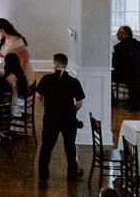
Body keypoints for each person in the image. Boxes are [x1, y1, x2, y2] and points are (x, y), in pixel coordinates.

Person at [34, 52, 85, 185]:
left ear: (55, 63)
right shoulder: (73, 81)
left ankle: (43, 177)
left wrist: (46, 105)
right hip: (68, 119)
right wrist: (71, 112)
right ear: (66, 64)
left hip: (51, 118)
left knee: (46, 147)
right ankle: (72, 171)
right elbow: (79, 103)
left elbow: (38, 96)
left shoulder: (46, 79)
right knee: (70, 146)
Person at [112, 26, 140, 109]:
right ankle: (135, 103)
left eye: (118, 33)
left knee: (109, 75)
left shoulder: (118, 47)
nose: (117, 34)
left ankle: (112, 102)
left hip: (126, 75)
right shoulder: (139, 44)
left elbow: (115, 64)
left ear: (124, 35)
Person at [3, 53, 31, 118]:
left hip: (15, 109)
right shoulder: (20, 74)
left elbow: (8, 93)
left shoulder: (11, 77)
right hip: (21, 106)